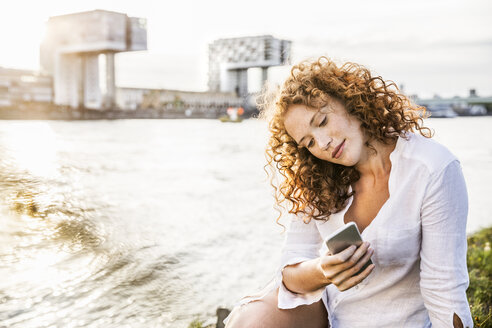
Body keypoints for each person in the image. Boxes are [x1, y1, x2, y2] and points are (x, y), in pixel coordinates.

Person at [225, 57, 473, 328]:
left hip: (396, 321)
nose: (322, 144)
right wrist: (324, 270)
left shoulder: (432, 168)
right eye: (308, 143)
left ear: (350, 99)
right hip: (329, 313)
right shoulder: (317, 178)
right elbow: (290, 270)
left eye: (321, 121)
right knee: (247, 320)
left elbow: (443, 287)